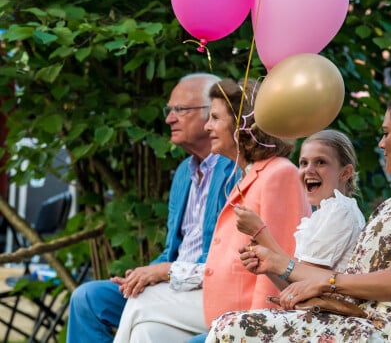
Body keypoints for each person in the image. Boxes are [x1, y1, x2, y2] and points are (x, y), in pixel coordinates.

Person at [206, 86, 391, 342]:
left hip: (383, 332)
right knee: (230, 324)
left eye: (387, 133)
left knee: (231, 327)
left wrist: (326, 284)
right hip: (353, 321)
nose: (381, 143)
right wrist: (279, 266)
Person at [112, 78, 311, 342]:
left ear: (242, 124)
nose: (208, 126)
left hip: (247, 312)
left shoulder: (279, 172)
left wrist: (259, 325)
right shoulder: (246, 175)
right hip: (218, 300)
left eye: (215, 118)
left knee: (142, 301)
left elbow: (279, 255)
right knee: (148, 331)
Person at [66, 73, 239, 343]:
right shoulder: (184, 172)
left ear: (211, 115)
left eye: (180, 110)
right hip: (169, 282)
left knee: (143, 318)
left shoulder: (236, 171)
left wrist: (162, 273)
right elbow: (173, 249)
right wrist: (141, 275)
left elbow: (230, 260)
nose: (170, 118)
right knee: (88, 298)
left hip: (204, 288)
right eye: (169, 110)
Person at [235, 129, 365, 274]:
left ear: (345, 173)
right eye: (304, 163)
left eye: (320, 162)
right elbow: (294, 284)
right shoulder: (324, 214)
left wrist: (259, 232)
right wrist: (264, 262)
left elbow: (304, 278)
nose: (309, 170)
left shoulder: (340, 211)